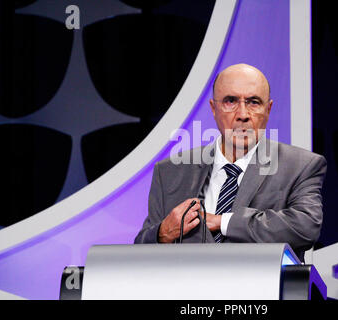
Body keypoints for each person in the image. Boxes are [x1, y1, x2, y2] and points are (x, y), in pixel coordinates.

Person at [134, 63, 326, 261]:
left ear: (268, 110)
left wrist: (223, 222)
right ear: (213, 108)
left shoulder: (300, 166)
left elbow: (305, 227)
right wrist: (162, 234)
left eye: (253, 102)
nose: (242, 115)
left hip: (261, 289)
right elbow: (140, 251)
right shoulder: (170, 171)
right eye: (230, 101)